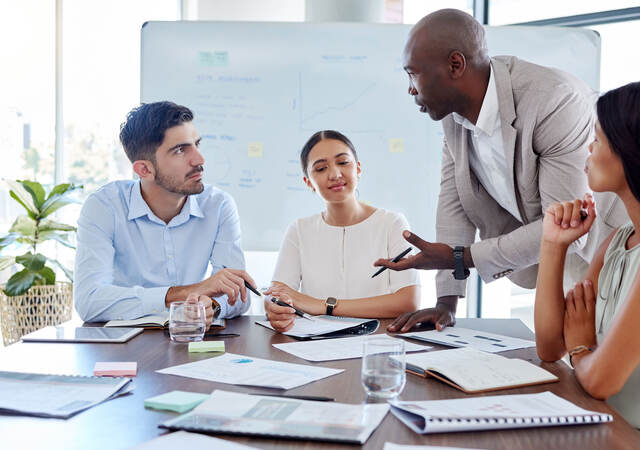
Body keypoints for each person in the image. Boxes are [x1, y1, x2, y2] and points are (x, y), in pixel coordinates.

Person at [375, 9, 627, 333]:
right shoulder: (455, 119)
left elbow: (566, 222)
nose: (411, 89)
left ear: (455, 65)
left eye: (414, 74)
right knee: (570, 362)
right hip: (560, 266)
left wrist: (461, 258)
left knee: (611, 374)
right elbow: (454, 205)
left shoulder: (552, 101)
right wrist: (445, 304)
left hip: (616, 247)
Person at [74, 101, 256, 327]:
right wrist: (186, 293)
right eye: (180, 150)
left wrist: (211, 306)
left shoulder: (218, 205)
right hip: (123, 349)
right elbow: (89, 301)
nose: (199, 160)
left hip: (195, 341)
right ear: (144, 169)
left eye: (196, 144)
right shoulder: (104, 207)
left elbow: (238, 293)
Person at [534, 82, 640, 426]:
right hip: (606, 428)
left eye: (597, 140)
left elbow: (599, 380)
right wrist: (554, 244)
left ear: (629, 151)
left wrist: (581, 348)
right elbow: (550, 347)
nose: (589, 151)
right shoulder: (617, 243)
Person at [264, 130, 420, 332]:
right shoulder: (299, 230)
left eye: (343, 162)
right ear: (308, 182)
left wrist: (323, 306)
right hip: (315, 346)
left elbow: (408, 301)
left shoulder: (392, 223)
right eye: (321, 168)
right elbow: (277, 293)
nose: (335, 174)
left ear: (358, 168)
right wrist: (274, 306)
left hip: (378, 344)